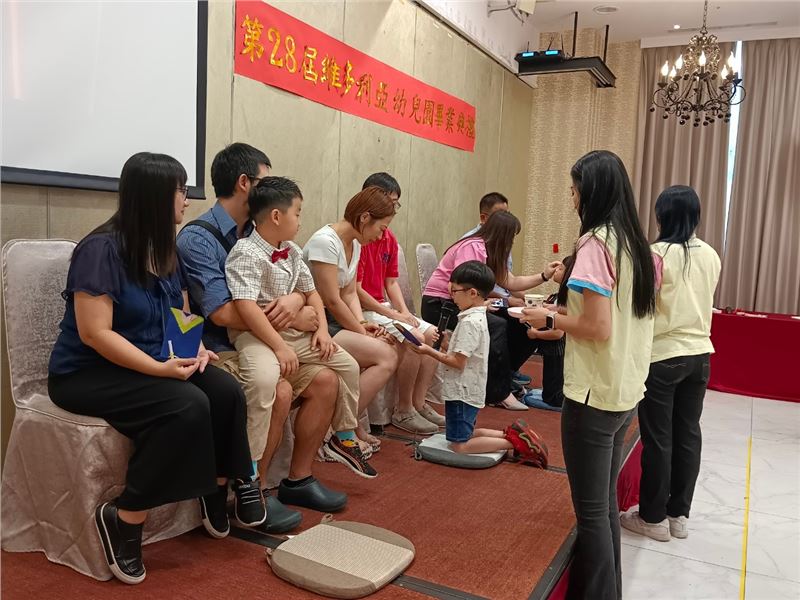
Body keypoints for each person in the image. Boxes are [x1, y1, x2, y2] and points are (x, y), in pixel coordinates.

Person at [47, 152, 265, 585]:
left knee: (225, 392)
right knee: (186, 405)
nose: (187, 199)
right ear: (154, 196)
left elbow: (179, 313)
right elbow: (95, 334)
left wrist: (194, 347)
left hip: (149, 359)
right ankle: (125, 516)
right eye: (181, 190)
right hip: (87, 372)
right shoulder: (100, 250)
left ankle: (214, 486)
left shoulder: (164, 248)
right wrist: (158, 368)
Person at [177, 143, 343, 532]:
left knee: (326, 380)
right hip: (220, 345)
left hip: (268, 338)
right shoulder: (198, 238)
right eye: (266, 180)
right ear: (244, 183)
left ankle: (298, 478)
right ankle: (254, 488)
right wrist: (294, 314)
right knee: (280, 389)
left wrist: (298, 299)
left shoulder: (264, 231)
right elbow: (222, 312)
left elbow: (297, 282)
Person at [522, 150, 659, 600]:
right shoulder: (638, 246)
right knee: (602, 507)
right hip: (624, 388)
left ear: (593, 192)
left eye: (575, 189)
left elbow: (597, 328)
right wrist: (558, 316)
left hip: (594, 394)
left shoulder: (595, 244)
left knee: (592, 513)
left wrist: (549, 318)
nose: (572, 198)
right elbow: (614, 319)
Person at [225, 176, 376, 481]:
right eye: (297, 213)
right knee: (263, 381)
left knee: (347, 364)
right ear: (276, 216)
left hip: (294, 335)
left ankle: (344, 436)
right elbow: (246, 307)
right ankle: (249, 466)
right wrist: (279, 347)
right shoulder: (245, 252)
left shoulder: (292, 250)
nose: (300, 220)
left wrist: (322, 330)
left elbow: (312, 293)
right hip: (255, 336)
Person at [620, 186, 721, 542]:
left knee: (659, 440)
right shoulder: (711, 255)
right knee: (688, 434)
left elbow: (640, 306)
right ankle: (679, 515)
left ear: (661, 216)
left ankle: (652, 518)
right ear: (695, 217)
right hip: (700, 355)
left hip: (663, 356)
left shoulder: (655, 254)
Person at [411, 261, 547, 465]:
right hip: (468, 388)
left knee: (459, 445)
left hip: (461, 392)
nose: (452, 296)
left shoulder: (470, 322)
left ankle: (517, 443)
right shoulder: (476, 315)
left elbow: (458, 362)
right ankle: (513, 434)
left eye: (455, 291)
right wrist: (446, 343)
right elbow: (464, 352)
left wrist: (428, 351)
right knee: (464, 433)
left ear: (472, 293)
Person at [421, 210, 559, 409]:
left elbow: (511, 282)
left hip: (467, 301)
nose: (511, 243)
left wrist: (544, 276)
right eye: (511, 237)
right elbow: (462, 286)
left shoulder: (490, 251)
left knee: (525, 322)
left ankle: (503, 376)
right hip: (442, 304)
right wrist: (497, 302)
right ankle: (498, 393)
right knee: (496, 325)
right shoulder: (472, 247)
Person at [304, 187, 400, 455]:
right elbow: (332, 299)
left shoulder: (355, 243)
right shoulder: (325, 241)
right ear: (365, 217)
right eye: (381, 228)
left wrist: (361, 323)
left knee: (387, 346)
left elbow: (349, 293)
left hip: (335, 317)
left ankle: (348, 423)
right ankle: (339, 429)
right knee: (386, 356)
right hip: (316, 321)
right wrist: (360, 331)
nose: (381, 236)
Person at [356, 172, 443, 435]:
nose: (393, 209)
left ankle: (418, 403)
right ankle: (403, 409)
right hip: (364, 309)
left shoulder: (388, 237)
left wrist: (404, 311)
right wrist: (392, 314)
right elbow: (355, 291)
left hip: (382, 306)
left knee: (433, 334)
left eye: (396, 203)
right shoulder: (359, 238)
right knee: (415, 337)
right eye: (390, 202)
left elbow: (391, 282)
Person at [461, 192, 531, 390]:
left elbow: (508, 280)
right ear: (484, 218)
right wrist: (507, 301)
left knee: (532, 320)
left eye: (507, 213)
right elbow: (475, 285)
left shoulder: (500, 240)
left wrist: (527, 296)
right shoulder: (474, 243)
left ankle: (507, 371)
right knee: (508, 322)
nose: (505, 219)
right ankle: (499, 383)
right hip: (471, 299)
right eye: (500, 214)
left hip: (493, 296)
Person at [520, 256, 573, 411]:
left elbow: (558, 333)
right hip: (553, 350)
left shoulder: (565, 297)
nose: (556, 270)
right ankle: (549, 395)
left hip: (557, 349)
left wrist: (536, 333)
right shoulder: (561, 295)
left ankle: (555, 401)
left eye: (561, 269)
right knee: (551, 378)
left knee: (553, 383)